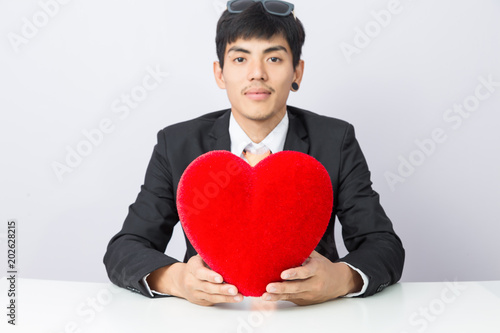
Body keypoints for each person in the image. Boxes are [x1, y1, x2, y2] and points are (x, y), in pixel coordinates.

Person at [103, 0, 404, 307]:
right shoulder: (177, 143)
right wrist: (176, 280)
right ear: (219, 73)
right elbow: (124, 248)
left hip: (309, 317)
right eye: (240, 59)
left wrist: (340, 279)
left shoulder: (335, 140)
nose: (256, 73)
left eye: (273, 58)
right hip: (210, 319)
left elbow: (384, 245)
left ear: (297, 71)